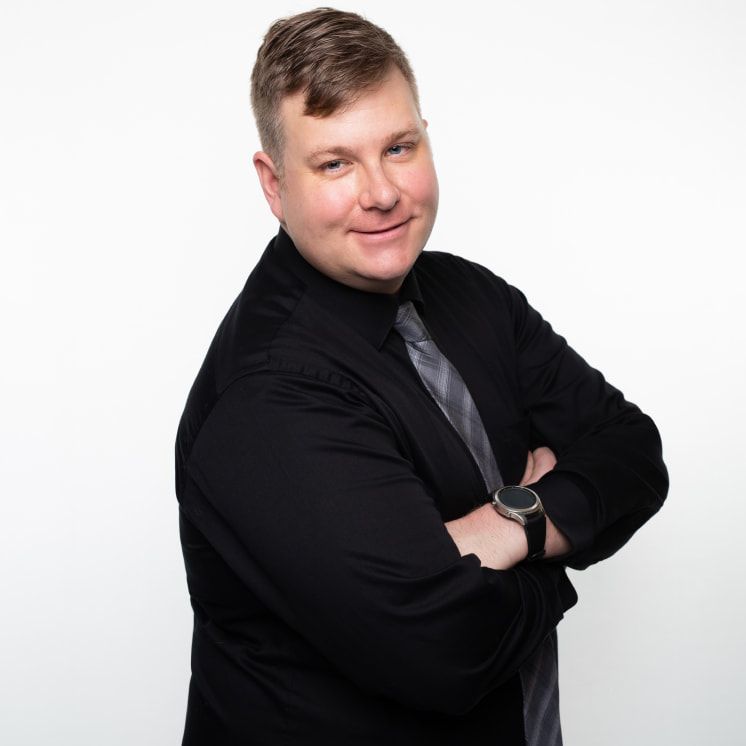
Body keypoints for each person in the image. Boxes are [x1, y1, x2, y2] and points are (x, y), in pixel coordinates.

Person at [175, 8, 668, 745]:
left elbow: (633, 453)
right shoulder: (268, 393)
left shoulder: (474, 297)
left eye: (398, 148)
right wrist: (546, 540)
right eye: (335, 163)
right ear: (274, 184)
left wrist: (502, 532)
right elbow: (445, 650)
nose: (381, 192)